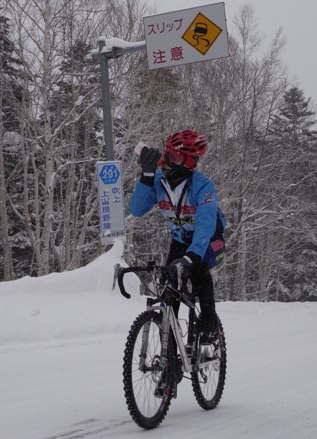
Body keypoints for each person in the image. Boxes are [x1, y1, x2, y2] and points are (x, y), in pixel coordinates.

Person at [129, 129, 226, 344]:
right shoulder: (159, 181)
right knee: (170, 287)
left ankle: (210, 324)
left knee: (198, 268)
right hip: (181, 239)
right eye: (166, 153)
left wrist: (192, 257)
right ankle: (169, 355)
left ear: (189, 162)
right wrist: (146, 177)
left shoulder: (202, 186)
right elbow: (136, 210)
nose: (165, 160)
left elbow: (206, 224)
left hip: (208, 238)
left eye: (173, 156)